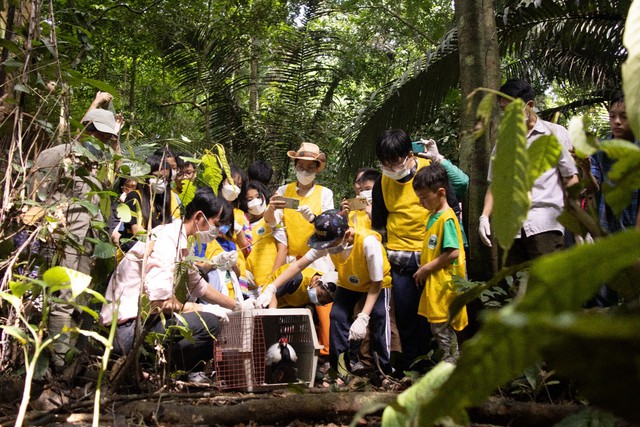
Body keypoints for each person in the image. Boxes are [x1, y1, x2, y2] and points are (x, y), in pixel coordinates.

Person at [99, 187, 255, 382]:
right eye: (216, 223)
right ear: (199, 217)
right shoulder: (168, 240)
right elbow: (159, 303)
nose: (218, 231)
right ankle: (147, 370)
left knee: (210, 322)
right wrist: (198, 307)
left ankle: (153, 373)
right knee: (210, 323)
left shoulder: (180, 240)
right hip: (126, 330)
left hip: (135, 327)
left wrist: (237, 306)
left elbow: (199, 287)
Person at [30, 91, 123, 368]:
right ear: (85, 130)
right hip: (60, 240)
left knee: (76, 302)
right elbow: (35, 197)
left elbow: (117, 173)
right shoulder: (56, 155)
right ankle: (57, 365)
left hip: (86, 244)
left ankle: (66, 363)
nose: (104, 141)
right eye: (100, 135)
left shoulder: (97, 166)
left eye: (108, 138)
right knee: (60, 301)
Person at [371, 129, 465, 370]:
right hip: (400, 259)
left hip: (434, 259)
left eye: (394, 162)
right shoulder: (382, 182)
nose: (390, 168)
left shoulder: (430, 171)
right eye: (385, 163)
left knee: (437, 318)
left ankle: (442, 367)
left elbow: (452, 209)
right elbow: (379, 225)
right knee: (406, 317)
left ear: (409, 155)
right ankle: (414, 369)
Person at [257, 209, 393, 375]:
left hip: (376, 284)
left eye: (331, 245)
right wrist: (272, 287)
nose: (328, 249)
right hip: (348, 282)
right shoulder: (329, 242)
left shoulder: (368, 244)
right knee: (337, 317)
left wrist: (363, 317)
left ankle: (384, 371)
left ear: (347, 233)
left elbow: (376, 283)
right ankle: (341, 372)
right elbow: (298, 265)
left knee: (379, 317)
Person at [478, 79, 579, 266]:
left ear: (529, 105)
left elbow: (571, 179)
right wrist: (484, 216)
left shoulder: (555, 134)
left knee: (546, 287)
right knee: (516, 289)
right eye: (503, 110)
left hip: (545, 225)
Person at [263, 142, 335, 358]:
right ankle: (279, 351)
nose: (305, 171)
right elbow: (272, 224)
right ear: (294, 165)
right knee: (279, 300)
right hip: (292, 260)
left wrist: (313, 218)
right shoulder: (284, 191)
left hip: (318, 258)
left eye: (310, 167)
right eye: (301, 166)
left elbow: (331, 228)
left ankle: (325, 354)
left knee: (323, 306)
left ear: (317, 168)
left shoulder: (324, 194)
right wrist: (270, 208)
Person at [580, 91, 638, 306]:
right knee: (605, 295)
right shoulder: (601, 150)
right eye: (612, 115)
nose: (616, 122)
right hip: (609, 231)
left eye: (624, 116)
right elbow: (592, 189)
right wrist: (585, 169)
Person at [412, 164, 467, 363]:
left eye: (424, 197)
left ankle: (451, 375)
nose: (421, 202)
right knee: (438, 332)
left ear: (441, 192)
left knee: (445, 335)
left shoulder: (447, 218)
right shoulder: (433, 216)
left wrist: (426, 267)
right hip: (435, 287)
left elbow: (453, 252)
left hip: (445, 288)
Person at [244, 181, 279, 297]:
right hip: (250, 286)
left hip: (270, 282)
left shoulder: (273, 216)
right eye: (249, 199)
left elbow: (282, 248)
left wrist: (273, 279)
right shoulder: (243, 223)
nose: (255, 202)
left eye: (258, 197)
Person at [267, 265, 337, 308]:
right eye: (319, 295)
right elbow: (272, 293)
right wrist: (272, 314)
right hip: (264, 296)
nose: (318, 301)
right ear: (316, 280)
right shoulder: (296, 278)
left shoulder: (314, 287)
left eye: (323, 303)